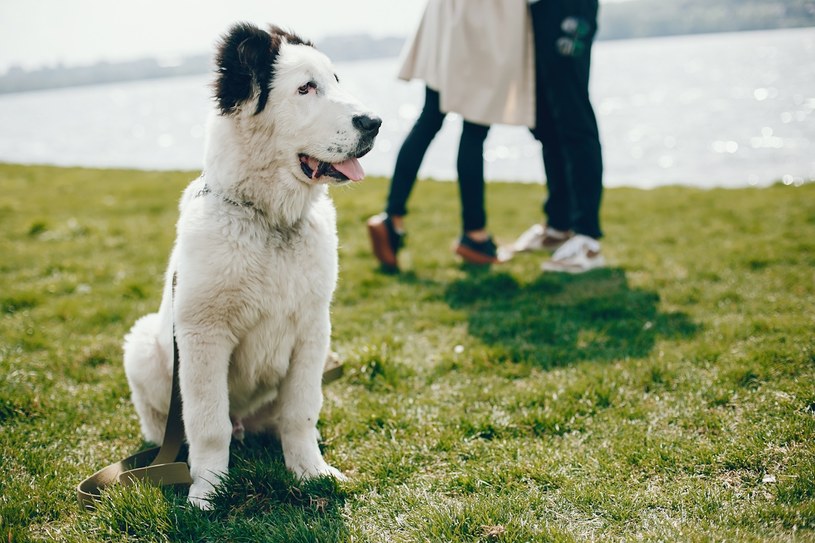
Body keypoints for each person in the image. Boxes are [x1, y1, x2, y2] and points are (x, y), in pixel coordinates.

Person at [368, 0, 535, 270]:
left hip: (450, 19)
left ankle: (392, 217)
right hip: (479, 24)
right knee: (475, 128)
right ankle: (474, 234)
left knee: (430, 119)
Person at [512, 0, 606, 273]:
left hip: (568, 8)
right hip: (537, 10)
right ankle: (559, 226)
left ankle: (587, 237)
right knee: (546, 124)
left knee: (574, 118)